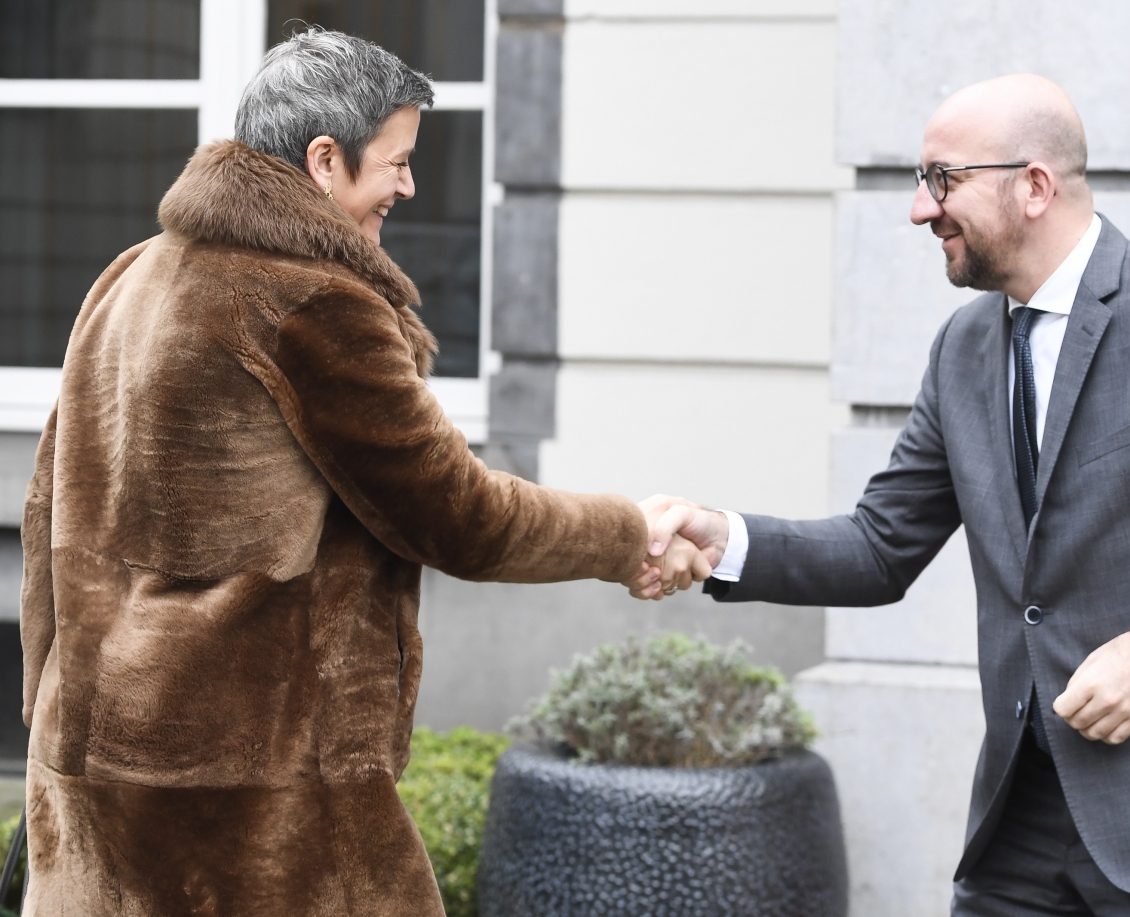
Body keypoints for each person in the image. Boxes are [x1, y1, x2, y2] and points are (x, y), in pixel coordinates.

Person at [634, 74, 1130, 915]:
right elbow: (880, 546)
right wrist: (721, 535)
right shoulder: (963, 348)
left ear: (1034, 185)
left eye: (942, 179)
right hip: (1019, 820)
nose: (922, 208)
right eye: (922, 182)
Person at [18, 28, 704, 917]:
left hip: (92, 763)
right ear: (325, 158)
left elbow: (43, 515)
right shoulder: (310, 300)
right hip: (253, 781)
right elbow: (458, 513)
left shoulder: (129, 274)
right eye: (399, 161)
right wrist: (626, 534)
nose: (410, 186)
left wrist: (48, 715)